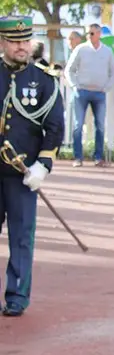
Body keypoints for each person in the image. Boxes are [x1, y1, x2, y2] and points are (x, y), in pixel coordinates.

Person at [0, 17, 65, 317]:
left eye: (25, 41)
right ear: (2, 43)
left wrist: (43, 165)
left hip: (22, 173)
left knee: (21, 236)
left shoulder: (44, 81)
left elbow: (54, 128)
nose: (21, 47)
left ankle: (17, 296)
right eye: (14, 42)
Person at [65, 23, 114, 166]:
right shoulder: (80, 49)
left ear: (99, 34)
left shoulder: (107, 51)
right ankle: (77, 157)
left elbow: (113, 71)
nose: (89, 36)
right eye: (87, 33)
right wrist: (75, 85)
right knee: (78, 124)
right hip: (82, 92)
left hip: (99, 93)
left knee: (100, 126)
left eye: (92, 33)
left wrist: (106, 87)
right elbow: (69, 70)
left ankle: (98, 157)